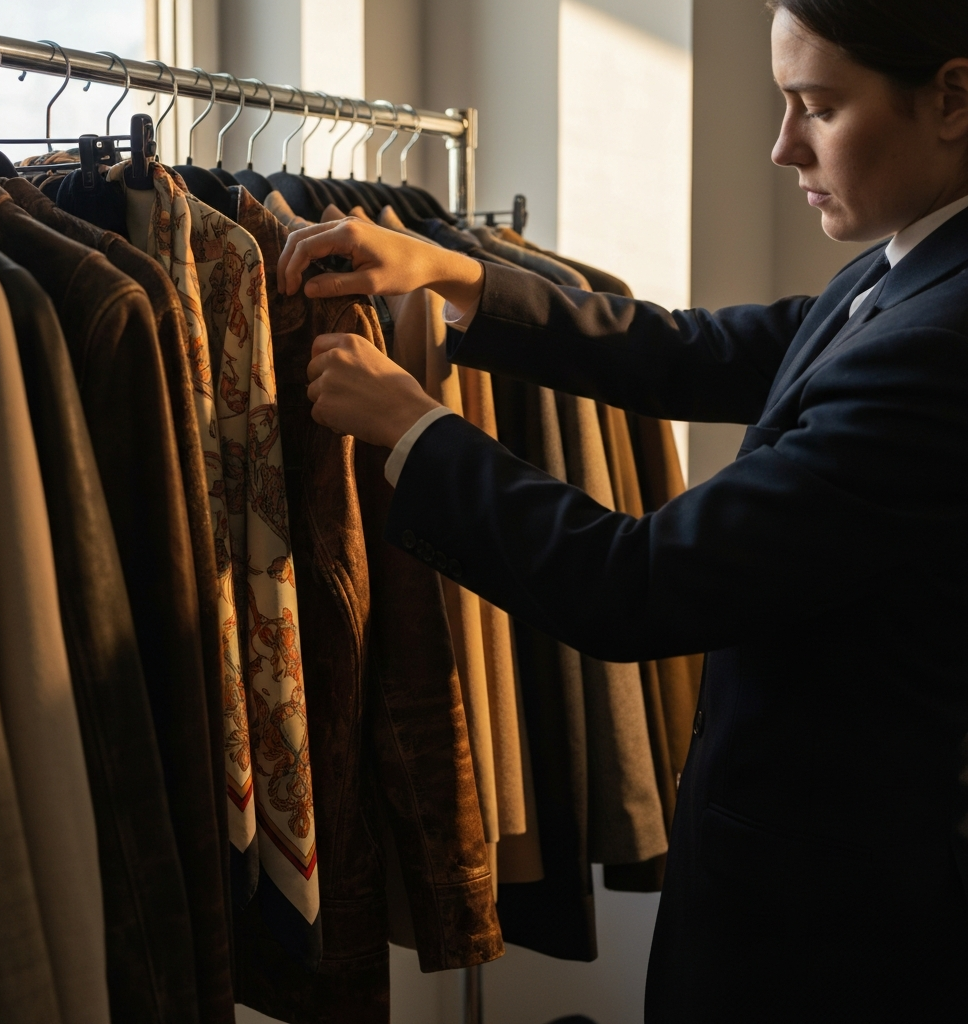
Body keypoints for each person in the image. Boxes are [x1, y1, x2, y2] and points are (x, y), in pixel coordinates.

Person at [279, 1, 967, 1020]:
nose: (782, 147)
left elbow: (638, 584)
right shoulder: (911, 262)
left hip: (832, 927)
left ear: (951, 98)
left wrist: (416, 429)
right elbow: (699, 349)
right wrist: (458, 274)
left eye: (816, 107)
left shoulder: (942, 343)